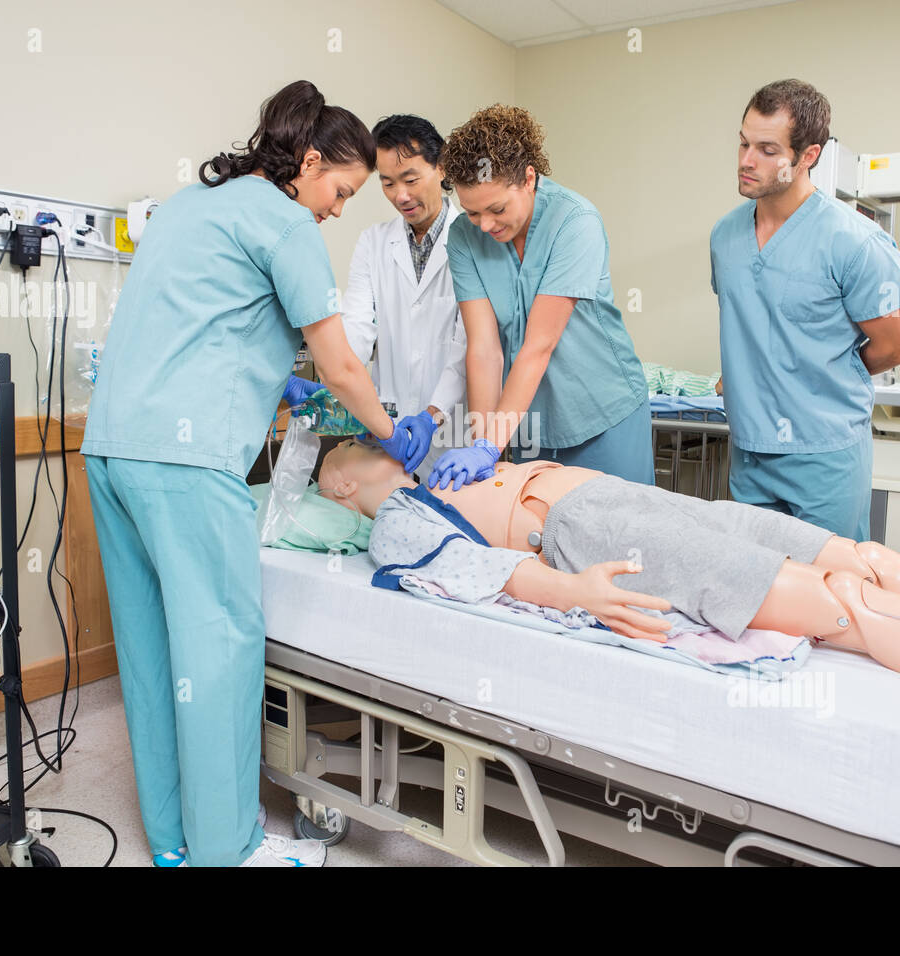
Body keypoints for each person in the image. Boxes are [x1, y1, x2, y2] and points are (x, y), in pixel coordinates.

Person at [80, 81, 415, 868]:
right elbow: (339, 361)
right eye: (341, 191)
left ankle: (170, 841)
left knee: (153, 649)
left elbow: (211, 320)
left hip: (112, 450)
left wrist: (279, 373)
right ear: (307, 164)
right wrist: (397, 437)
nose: (336, 210)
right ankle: (228, 848)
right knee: (220, 652)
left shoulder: (189, 206)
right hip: (187, 465)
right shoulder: (285, 221)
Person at [317, 438, 900, 727]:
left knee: (864, 559)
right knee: (842, 606)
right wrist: (574, 594)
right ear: (340, 488)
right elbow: (468, 571)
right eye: (348, 449)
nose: (369, 436)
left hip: (619, 496)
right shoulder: (395, 520)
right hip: (589, 532)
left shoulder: (436, 465)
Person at [710, 79, 900, 541]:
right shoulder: (724, 238)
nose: (746, 160)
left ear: (808, 156)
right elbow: (753, 322)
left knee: (828, 595)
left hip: (824, 457)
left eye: (766, 148)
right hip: (750, 451)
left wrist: (817, 377)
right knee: (755, 590)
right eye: (743, 143)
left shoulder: (856, 243)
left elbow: (896, 346)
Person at [426, 104, 652, 491]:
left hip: (603, 412)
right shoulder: (463, 236)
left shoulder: (574, 222)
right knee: (541, 537)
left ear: (529, 179)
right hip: (531, 422)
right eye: (472, 212)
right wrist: (486, 445)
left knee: (620, 534)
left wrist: (488, 445)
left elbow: (537, 347)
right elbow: (484, 349)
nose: (485, 225)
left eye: (497, 209)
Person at [341, 114, 469, 480]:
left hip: (451, 435)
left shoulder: (474, 242)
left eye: (411, 179)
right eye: (387, 183)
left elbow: (467, 346)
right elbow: (357, 325)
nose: (401, 195)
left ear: (441, 168)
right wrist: (344, 394)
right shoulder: (373, 243)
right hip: (387, 433)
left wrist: (432, 415)